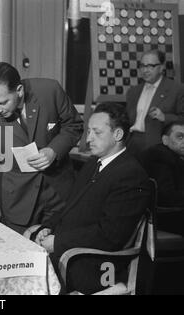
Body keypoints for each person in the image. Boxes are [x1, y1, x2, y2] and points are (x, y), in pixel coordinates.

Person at [25, 103, 151, 294]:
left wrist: (58, 241)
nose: (88, 138)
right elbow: (71, 207)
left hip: (93, 264)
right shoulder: (93, 163)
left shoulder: (131, 174)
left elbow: (110, 235)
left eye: (96, 132)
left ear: (117, 135)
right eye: (88, 131)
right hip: (71, 249)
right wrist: (47, 227)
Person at [0, 62, 83, 234]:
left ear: (19, 90)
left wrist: (54, 150)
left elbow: (74, 125)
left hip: (59, 194)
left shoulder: (49, 90)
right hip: (18, 200)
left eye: (2, 102)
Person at [126, 49, 184, 157]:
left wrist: (164, 117)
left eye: (150, 66)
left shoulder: (176, 89)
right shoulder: (133, 91)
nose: (145, 70)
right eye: (142, 66)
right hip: (132, 143)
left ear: (162, 67)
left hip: (157, 146)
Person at [141, 120, 184, 207]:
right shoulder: (161, 157)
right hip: (168, 216)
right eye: (180, 137)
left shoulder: (175, 155)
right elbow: (166, 197)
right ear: (165, 140)